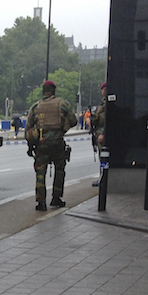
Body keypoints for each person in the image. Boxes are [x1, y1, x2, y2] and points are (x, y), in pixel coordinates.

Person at [25, 80, 77, 211]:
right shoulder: (63, 104)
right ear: (54, 91)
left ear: (43, 91)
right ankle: (56, 198)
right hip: (58, 143)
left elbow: (28, 129)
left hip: (41, 145)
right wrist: (63, 127)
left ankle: (41, 202)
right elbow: (74, 121)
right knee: (59, 170)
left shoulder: (36, 107)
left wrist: (31, 146)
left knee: (40, 172)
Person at [88, 82, 107, 187]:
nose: (104, 91)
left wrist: (104, 133)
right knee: (101, 156)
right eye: (102, 89)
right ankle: (102, 177)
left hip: (103, 133)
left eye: (105, 89)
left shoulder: (109, 103)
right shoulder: (102, 103)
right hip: (98, 132)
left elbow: (110, 119)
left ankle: (104, 178)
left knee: (104, 157)